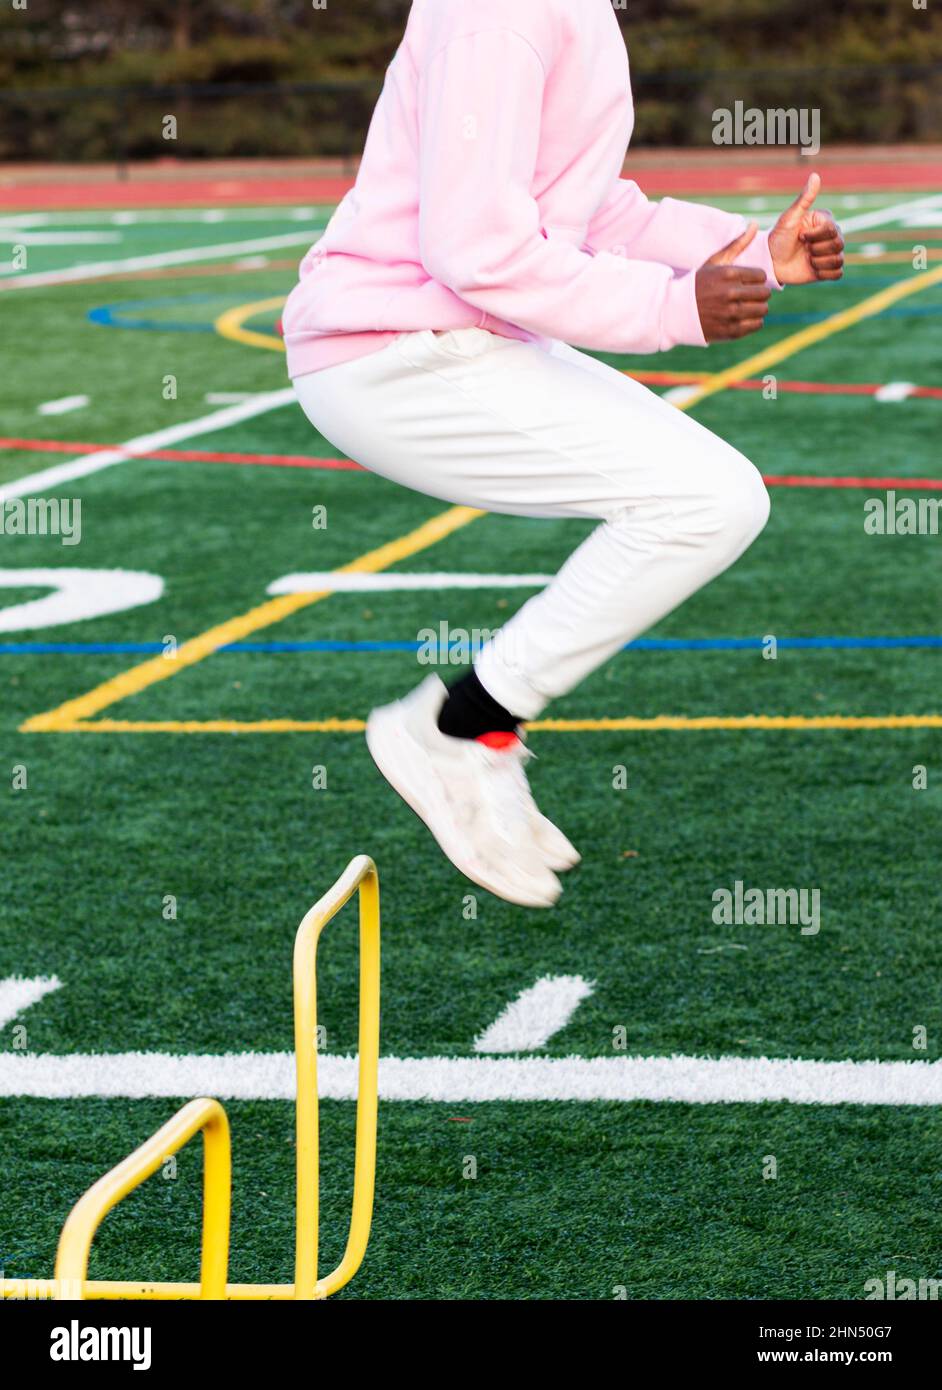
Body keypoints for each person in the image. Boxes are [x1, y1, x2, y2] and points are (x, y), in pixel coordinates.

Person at [284, 0, 845, 908]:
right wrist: (671, 309)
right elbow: (475, 247)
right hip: (395, 352)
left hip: (447, 339)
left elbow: (592, 208)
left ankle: (472, 729)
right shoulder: (503, 10)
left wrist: (749, 257)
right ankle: (461, 731)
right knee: (708, 498)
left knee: (715, 498)